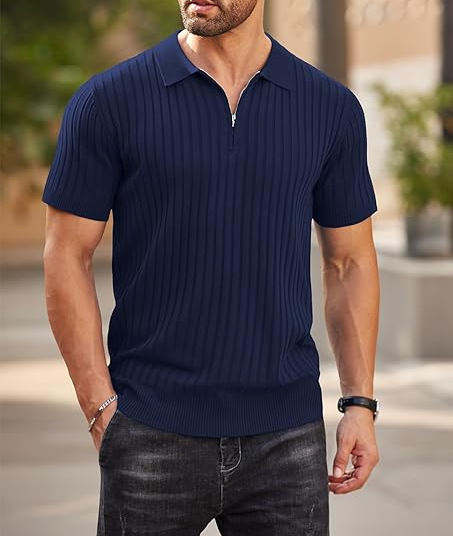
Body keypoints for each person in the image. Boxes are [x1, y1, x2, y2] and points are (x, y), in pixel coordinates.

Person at [41, 0, 380, 534]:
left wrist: (359, 403)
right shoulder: (108, 101)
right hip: (151, 427)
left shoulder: (329, 107)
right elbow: (66, 254)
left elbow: (349, 261)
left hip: (286, 436)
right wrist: (99, 408)